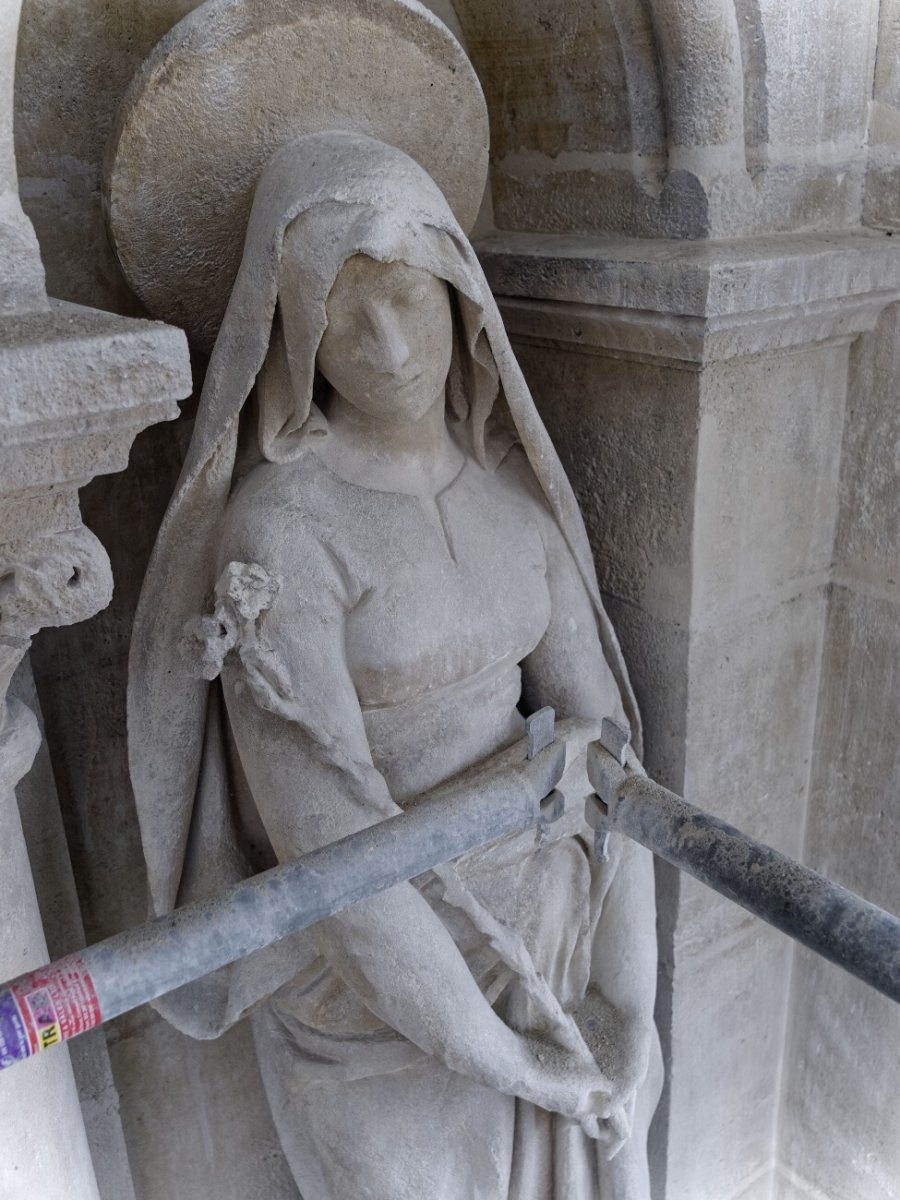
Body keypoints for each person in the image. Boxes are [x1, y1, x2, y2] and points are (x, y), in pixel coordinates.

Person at [128, 130, 662, 1199]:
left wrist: (633, 1014)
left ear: (463, 301)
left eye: (409, 296)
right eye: (341, 307)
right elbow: (332, 850)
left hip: (549, 950)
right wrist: (506, 1061)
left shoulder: (517, 509)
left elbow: (613, 776)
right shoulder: (281, 533)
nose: (385, 343)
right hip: (374, 987)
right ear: (292, 334)